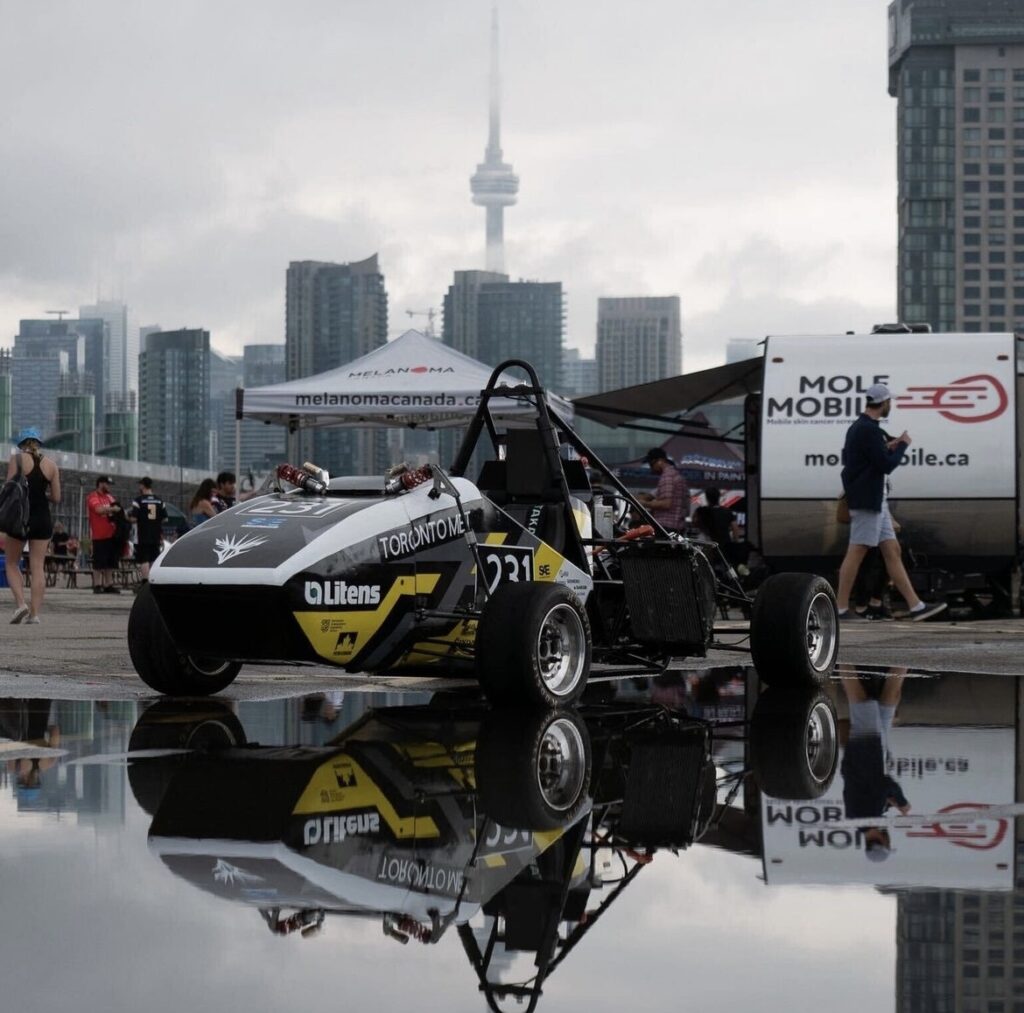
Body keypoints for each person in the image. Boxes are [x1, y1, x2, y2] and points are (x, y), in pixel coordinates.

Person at [836, 384, 946, 622]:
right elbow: (885, 465)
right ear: (883, 403)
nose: (890, 406)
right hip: (868, 500)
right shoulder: (869, 430)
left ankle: (916, 606)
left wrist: (888, 446)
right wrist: (903, 444)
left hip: (875, 500)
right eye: (889, 402)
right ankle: (840, 608)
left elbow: (866, 457)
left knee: (892, 551)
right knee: (857, 550)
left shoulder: (861, 428)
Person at [840, 669, 910, 862]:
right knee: (890, 700)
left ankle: (841, 653)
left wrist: (902, 803)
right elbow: (875, 789)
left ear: (880, 842)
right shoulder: (869, 818)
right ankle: (903, 659)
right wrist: (890, 800)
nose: (890, 840)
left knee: (858, 699)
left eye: (887, 843)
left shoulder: (864, 818)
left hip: (865, 751)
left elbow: (884, 784)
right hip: (872, 753)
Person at [4, 428, 61, 623]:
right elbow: (56, 497)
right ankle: (35, 615)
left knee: (11, 563)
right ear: (38, 443)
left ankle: (21, 605)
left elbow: (9, 487)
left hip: (21, 517)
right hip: (42, 518)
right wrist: (40, 494)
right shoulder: (52, 465)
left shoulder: (17, 459)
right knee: (38, 567)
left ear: (22, 445)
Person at [636, 447, 689, 533]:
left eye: (651, 464)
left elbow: (666, 504)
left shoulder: (667, 476)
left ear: (660, 461)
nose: (651, 468)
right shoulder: (675, 474)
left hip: (666, 526)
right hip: (676, 526)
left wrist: (644, 504)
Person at [87, 475, 123, 595]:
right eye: (107, 484)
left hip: (111, 534)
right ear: (100, 484)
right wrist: (113, 510)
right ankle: (97, 584)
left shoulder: (109, 497)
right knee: (99, 562)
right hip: (99, 535)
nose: (108, 487)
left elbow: (117, 506)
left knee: (111, 562)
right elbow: (98, 510)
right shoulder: (93, 496)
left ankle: (108, 584)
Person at [128, 477, 168, 584]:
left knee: (143, 558)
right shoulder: (160, 501)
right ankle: (153, 580)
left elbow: (133, 518)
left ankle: (145, 581)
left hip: (142, 534)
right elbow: (165, 519)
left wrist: (127, 517)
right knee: (154, 558)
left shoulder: (138, 501)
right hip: (156, 534)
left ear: (142, 486)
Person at [692, 487, 742, 562]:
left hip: (707, 546)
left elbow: (694, 523)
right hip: (725, 546)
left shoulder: (701, 511)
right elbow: (735, 529)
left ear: (706, 497)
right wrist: (736, 544)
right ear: (719, 497)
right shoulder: (727, 512)